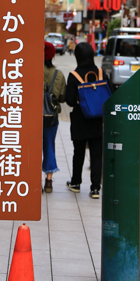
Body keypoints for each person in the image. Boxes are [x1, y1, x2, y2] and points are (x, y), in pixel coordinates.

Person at [66, 42, 106, 198]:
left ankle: (76, 182)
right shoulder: (101, 74)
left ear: (77, 56)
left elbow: (69, 101)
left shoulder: (74, 76)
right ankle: (95, 188)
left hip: (80, 119)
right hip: (97, 119)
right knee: (97, 153)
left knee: (79, 152)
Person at [43, 42, 67, 193]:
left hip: (32, 116)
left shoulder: (28, 71)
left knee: (31, 147)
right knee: (49, 146)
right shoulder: (58, 75)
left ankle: (31, 180)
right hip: (50, 117)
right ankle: (49, 181)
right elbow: (63, 98)